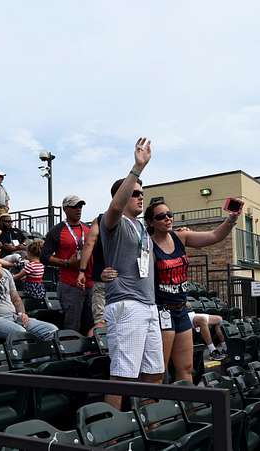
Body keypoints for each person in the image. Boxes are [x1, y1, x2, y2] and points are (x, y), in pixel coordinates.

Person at [144, 199, 240, 380]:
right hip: (161, 312)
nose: (167, 218)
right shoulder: (148, 245)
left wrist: (232, 218)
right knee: (159, 370)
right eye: (161, 216)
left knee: (186, 367)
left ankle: (186, 408)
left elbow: (214, 236)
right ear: (150, 222)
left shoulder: (180, 237)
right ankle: (153, 406)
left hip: (181, 311)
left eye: (169, 214)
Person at [99, 137, 163, 410]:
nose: (140, 196)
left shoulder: (142, 228)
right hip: (126, 305)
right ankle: (110, 436)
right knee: (122, 377)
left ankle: (148, 423)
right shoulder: (114, 221)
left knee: (155, 372)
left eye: (141, 192)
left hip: (148, 306)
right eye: (135, 193)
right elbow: (114, 207)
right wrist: (137, 169)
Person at [0, 238, 58, 342]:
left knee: (52, 331)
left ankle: (39, 358)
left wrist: (22, 314)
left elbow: (16, 299)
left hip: (13, 317)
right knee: (21, 334)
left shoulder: (5, 272)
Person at [41, 195, 93, 334]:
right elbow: (44, 257)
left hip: (90, 284)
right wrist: (67, 263)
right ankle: (74, 354)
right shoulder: (57, 230)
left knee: (90, 324)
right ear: (65, 209)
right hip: (70, 285)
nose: (78, 209)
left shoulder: (88, 229)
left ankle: (89, 353)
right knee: (72, 326)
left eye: (80, 206)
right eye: (74, 206)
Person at [76, 214, 106, 336]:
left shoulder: (100, 220)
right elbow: (89, 244)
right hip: (120, 282)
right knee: (102, 324)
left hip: (104, 280)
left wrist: (81, 271)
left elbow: (89, 243)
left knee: (101, 323)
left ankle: (96, 351)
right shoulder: (135, 224)